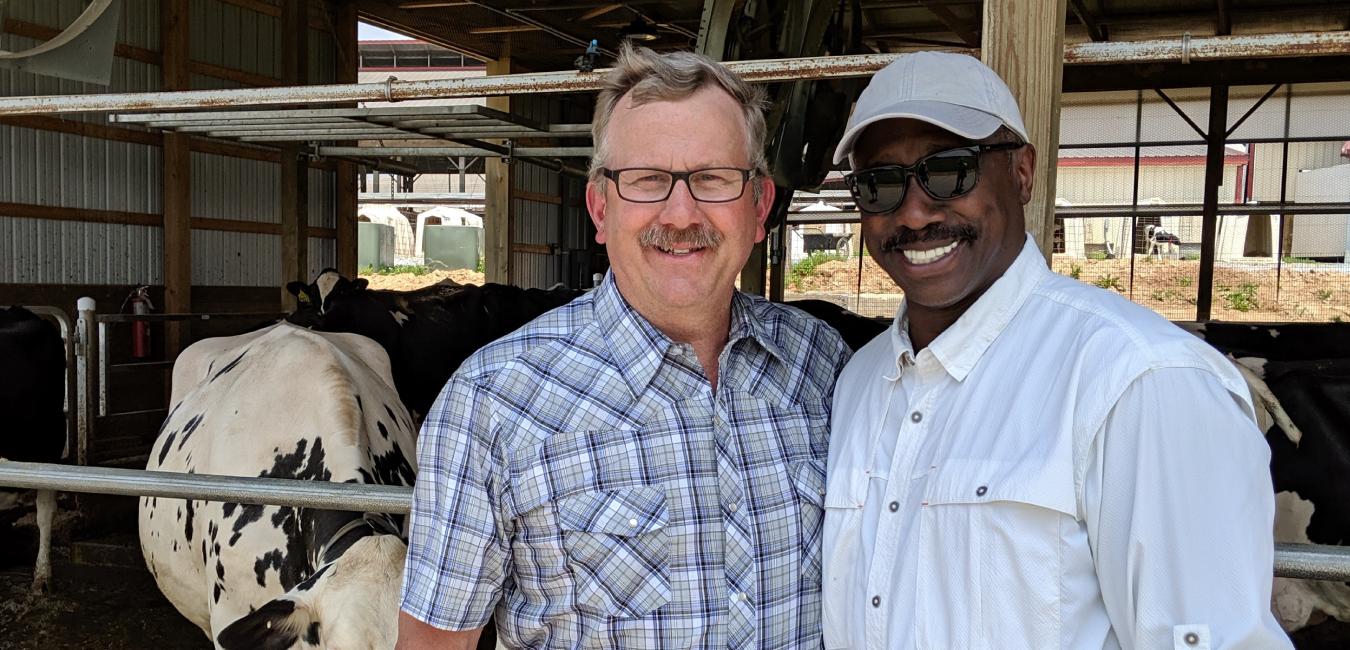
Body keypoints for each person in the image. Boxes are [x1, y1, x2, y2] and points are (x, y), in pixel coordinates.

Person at [821, 51, 1291, 650]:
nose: (913, 212)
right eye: (880, 184)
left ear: (1022, 172)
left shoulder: (1140, 383)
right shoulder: (858, 382)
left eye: (950, 170)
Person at [396, 43, 851, 650]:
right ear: (601, 209)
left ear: (760, 206)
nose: (682, 212)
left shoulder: (823, 367)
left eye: (713, 178)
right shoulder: (492, 403)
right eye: (647, 181)